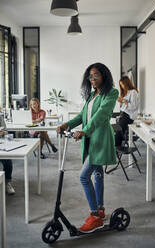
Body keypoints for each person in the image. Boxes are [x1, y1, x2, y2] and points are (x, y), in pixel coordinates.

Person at [57, 62, 118, 233]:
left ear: (104, 76)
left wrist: (84, 131)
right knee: (98, 175)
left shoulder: (111, 93)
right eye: (90, 76)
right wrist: (66, 124)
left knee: (84, 176)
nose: (92, 79)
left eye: (96, 75)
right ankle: (100, 209)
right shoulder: (92, 95)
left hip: (100, 141)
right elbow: (82, 115)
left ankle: (95, 216)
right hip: (90, 141)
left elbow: (102, 114)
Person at [115, 76, 139, 146]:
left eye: (122, 84)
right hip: (123, 114)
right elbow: (124, 107)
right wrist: (121, 102)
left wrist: (124, 101)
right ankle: (116, 146)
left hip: (129, 116)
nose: (122, 86)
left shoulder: (133, 92)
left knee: (118, 131)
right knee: (117, 131)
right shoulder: (126, 93)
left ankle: (116, 147)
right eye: (120, 85)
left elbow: (133, 106)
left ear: (126, 83)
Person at [0, 124, 15, 195]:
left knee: (7, 162)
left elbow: (6, 131)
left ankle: (7, 183)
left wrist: (3, 133)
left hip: (1, 144)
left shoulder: (0, 117)